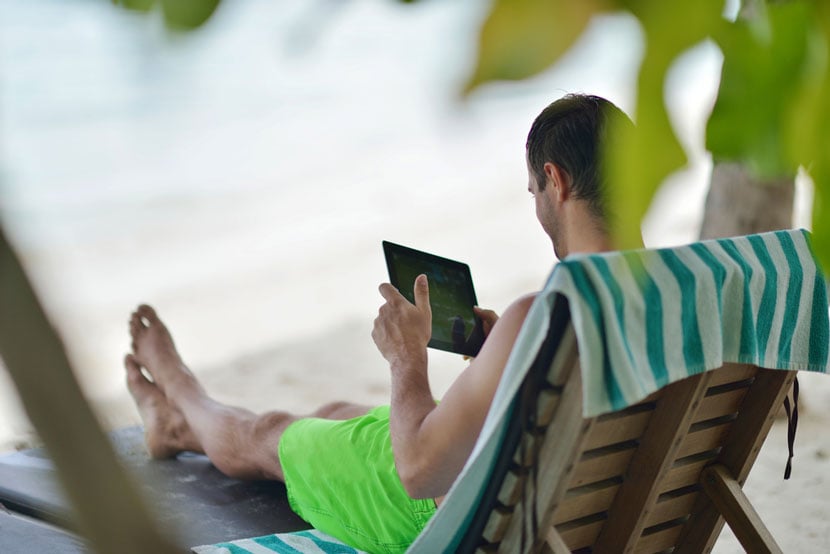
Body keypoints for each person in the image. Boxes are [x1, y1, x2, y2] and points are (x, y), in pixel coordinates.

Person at [124, 93, 632, 552]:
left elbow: (417, 473)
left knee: (269, 432)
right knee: (335, 410)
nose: (538, 208)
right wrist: (507, 356)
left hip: (452, 516)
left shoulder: (542, 313)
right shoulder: (669, 305)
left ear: (557, 181)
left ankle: (181, 390)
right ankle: (174, 429)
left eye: (533, 192)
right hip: (585, 513)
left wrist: (405, 359)